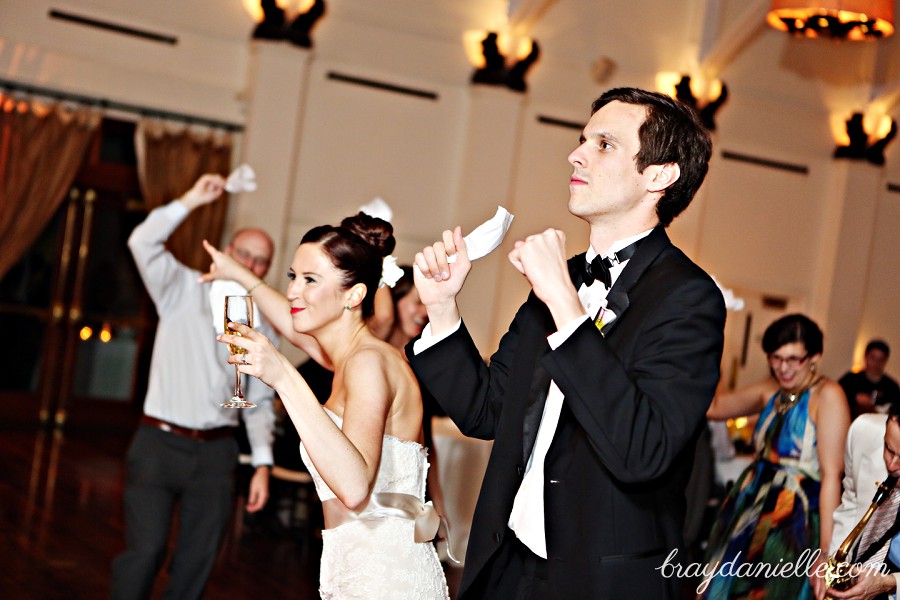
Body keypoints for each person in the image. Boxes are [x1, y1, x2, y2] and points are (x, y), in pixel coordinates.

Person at [408, 87, 727, 599]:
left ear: (660, 175)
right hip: (508, 566)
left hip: (600, 578)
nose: (575, 154)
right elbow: (487, 411)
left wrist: (564, 304)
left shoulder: (688, 298)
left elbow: (643, 450)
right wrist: (443, 308)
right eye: (583, 140)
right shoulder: (566, 278)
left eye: (604, 144)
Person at [211, 213, 450, 599]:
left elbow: (354, 488)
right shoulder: (349, 358)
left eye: (309, 280)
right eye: (292, 277)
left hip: (384, 578)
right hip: (353, 568)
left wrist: (285, 376)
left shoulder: (368, 363)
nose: (292, 291)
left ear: (354, 296)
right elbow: (292, 327)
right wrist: (238, 273)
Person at [110, 174, 276, 600]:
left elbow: (259, 399)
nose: (251, 266)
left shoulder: (261, 322)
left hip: (217, 453)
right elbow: (141, 243)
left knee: (196, 564)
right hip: (159, 444)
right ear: (224, 254)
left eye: (261, 261)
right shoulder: (179, 288)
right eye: (245, 255)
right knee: (144, 553)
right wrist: (189, 200)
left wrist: (261, 463)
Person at [702, 314, 850, 599]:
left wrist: (826, 552)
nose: (783, 368)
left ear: (815, 356)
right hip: (752, 508)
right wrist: (710, 348)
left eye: (793, 359)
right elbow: (714, 407)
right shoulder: (770, 390)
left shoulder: (828, 395)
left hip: (793, 520)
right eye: (776, 358)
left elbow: (832, 476)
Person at [825, 405, 900, 600]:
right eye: (889, 449)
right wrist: (833, 570)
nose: (892, 465)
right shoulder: (862, 432)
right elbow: (851, 503)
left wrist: (891, 583)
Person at [840, 340, 900, 419]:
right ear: (865, 357)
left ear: (886, 361)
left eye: (881, 359)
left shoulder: (892, 387)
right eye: (873, 358)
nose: (876, 363)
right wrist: (855, 398)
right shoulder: (850, 379)